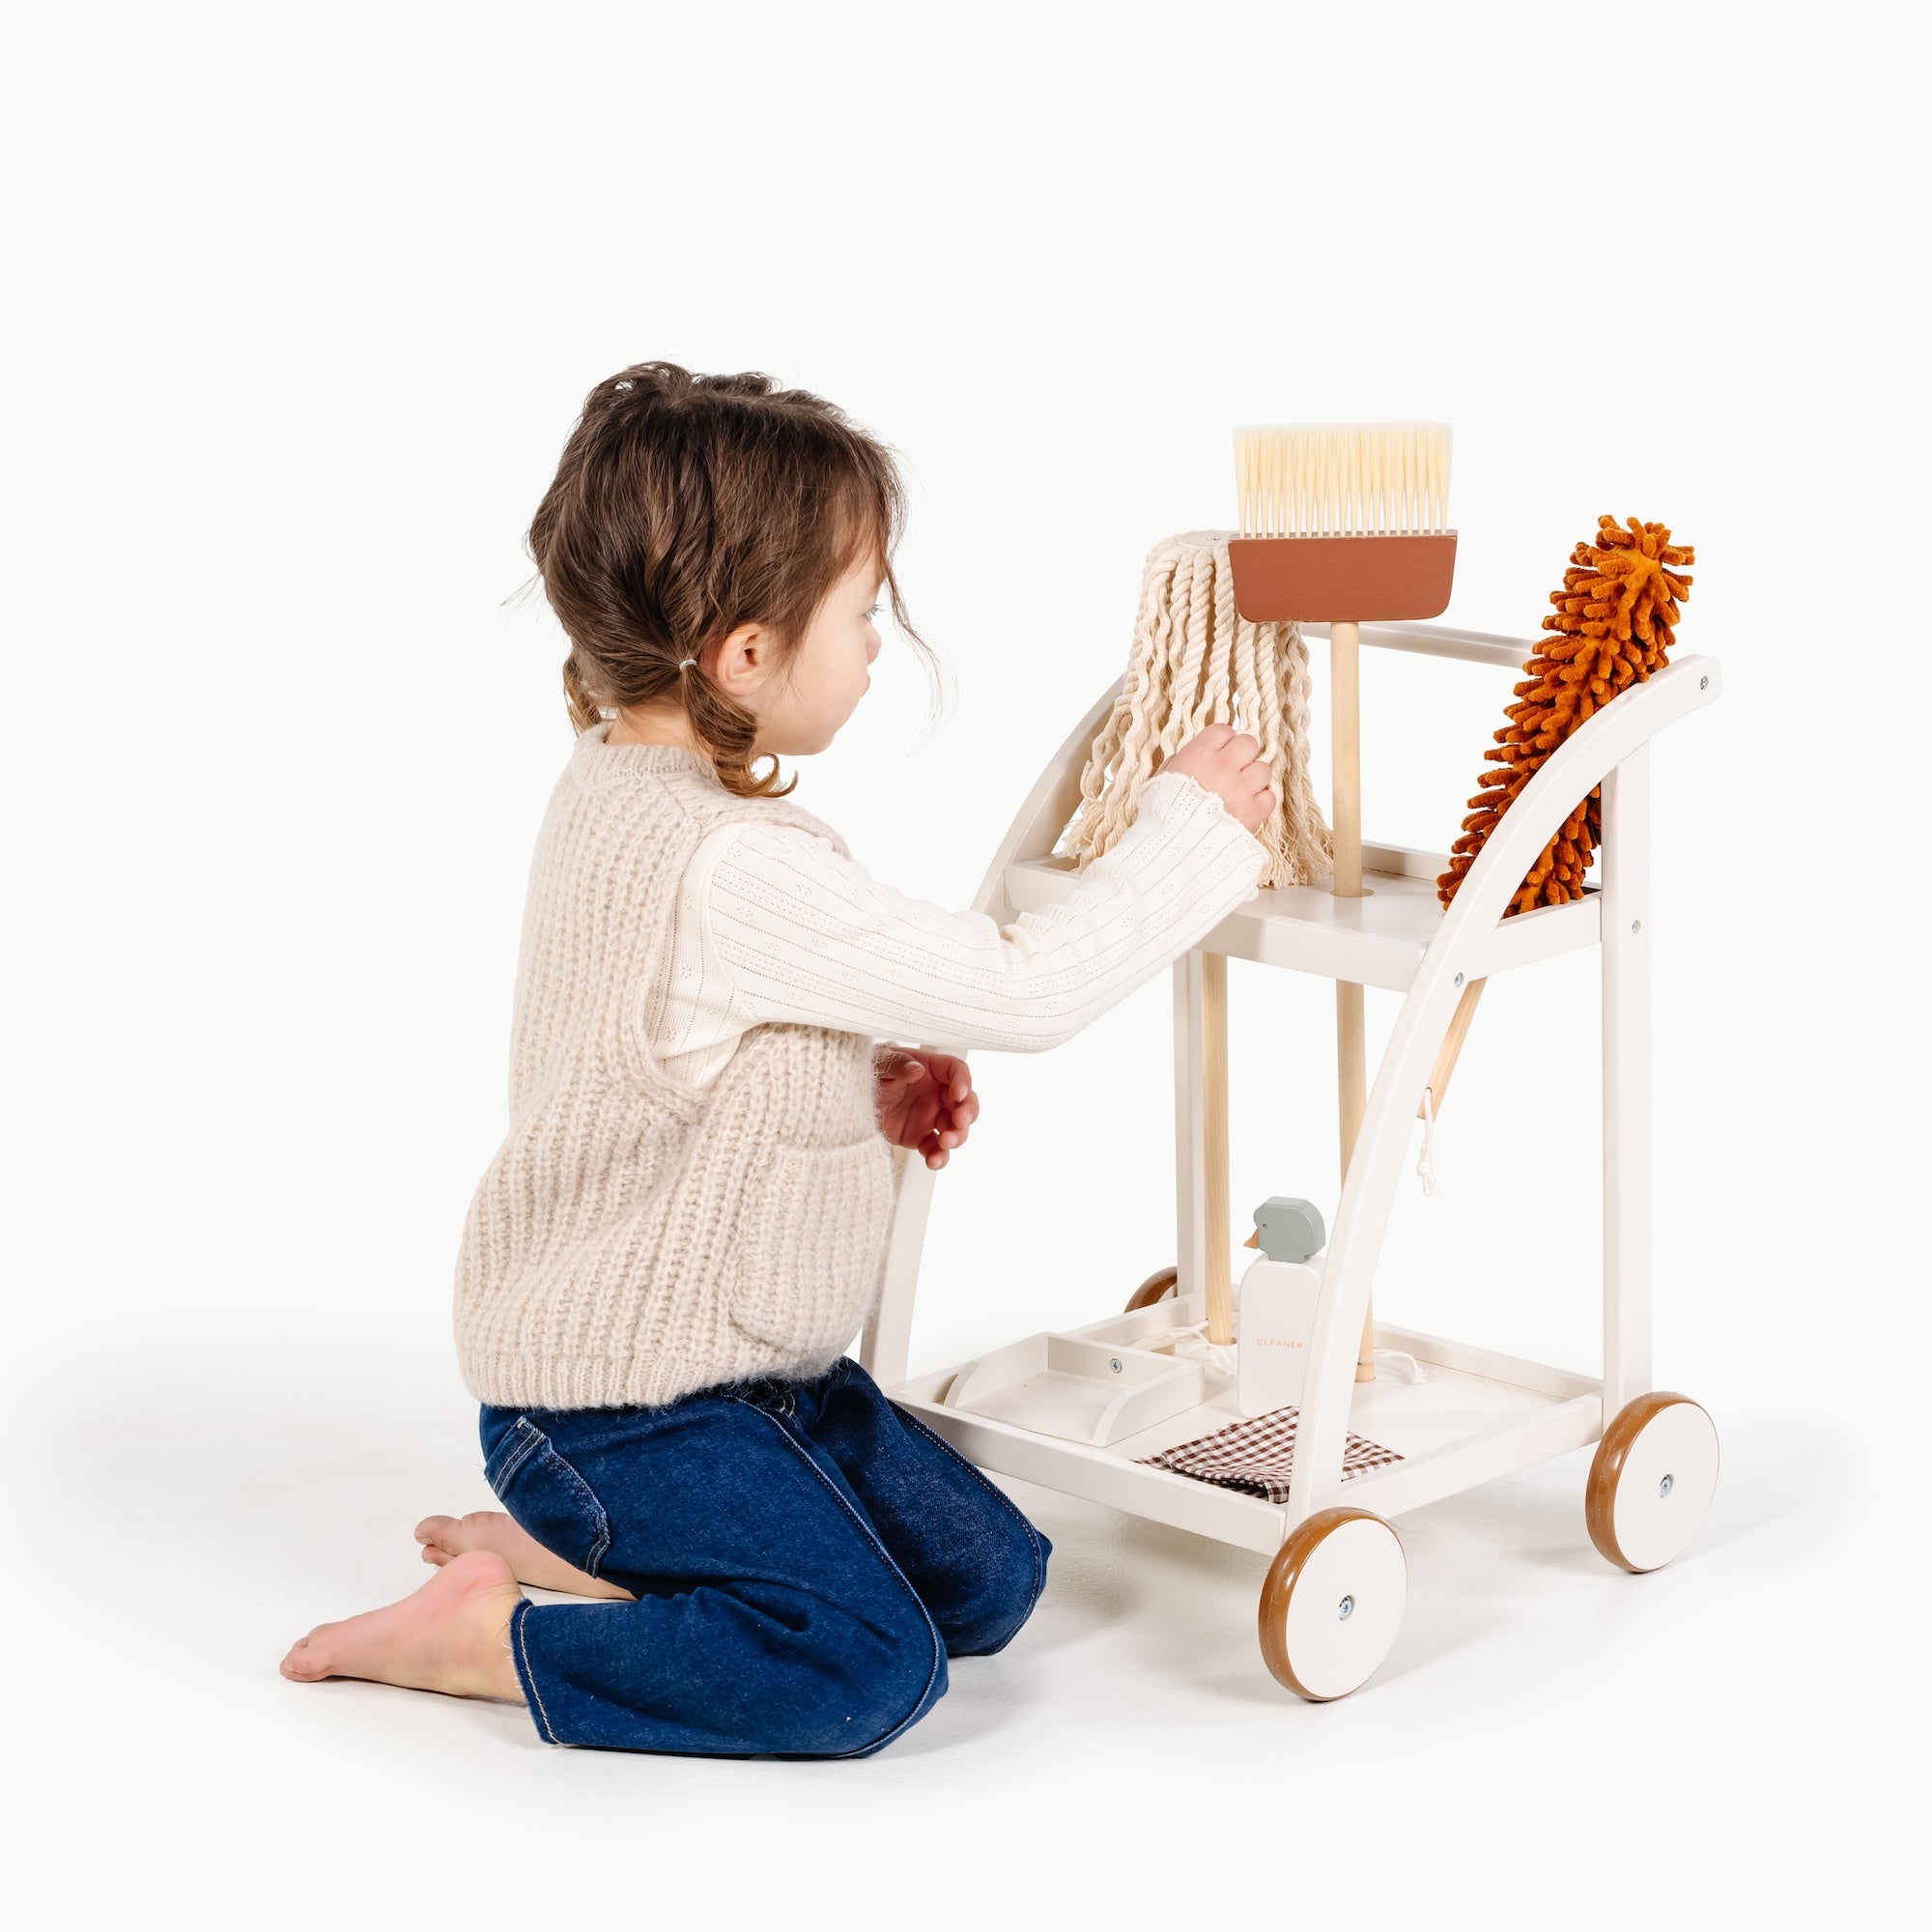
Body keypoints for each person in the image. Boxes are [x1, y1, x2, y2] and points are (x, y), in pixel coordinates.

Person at [280, 362, 1275, 1756]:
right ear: (743, 656)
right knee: (867, 1669)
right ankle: (492, 1641)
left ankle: (597, 1550)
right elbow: (1028, 987)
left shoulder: (628, 790)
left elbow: (657, 1067)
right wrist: (1191, 832)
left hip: (753, 1381)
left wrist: (855, 1088)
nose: (876, 645)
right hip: (627, 1411)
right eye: (862, 614)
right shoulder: (731, 865)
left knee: (994, 1584)